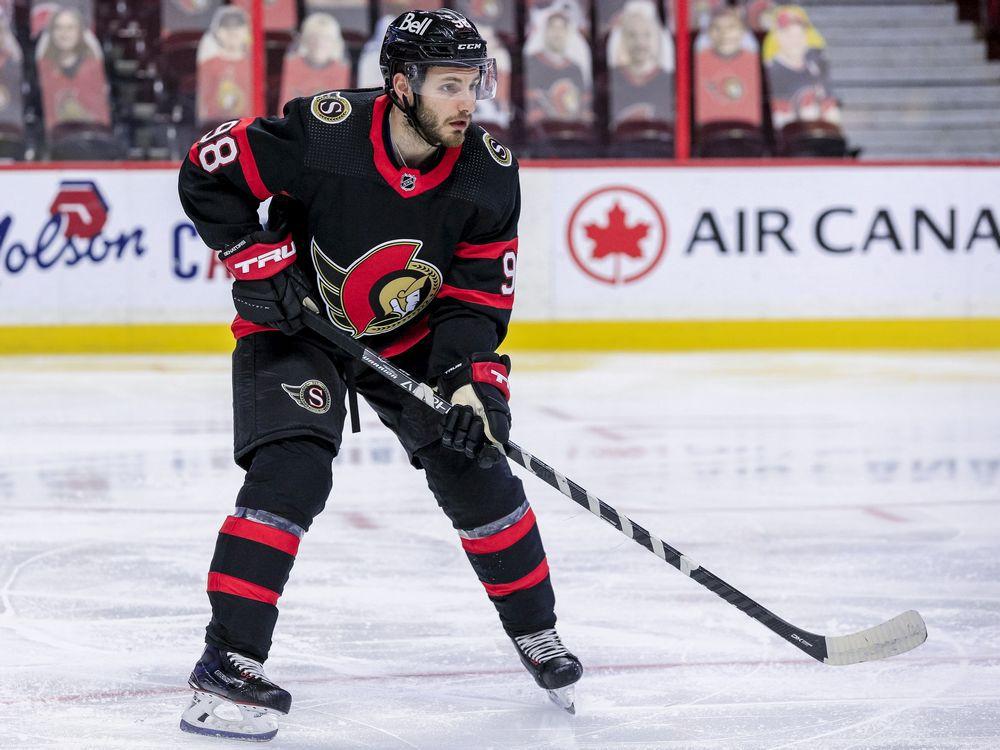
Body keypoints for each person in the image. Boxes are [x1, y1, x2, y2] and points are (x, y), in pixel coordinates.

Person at [176, 8, 583, 742]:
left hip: (413, 338)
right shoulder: (326, 134)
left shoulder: (489, 174)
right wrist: (253, 259)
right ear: (400, 85)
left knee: (479, 464)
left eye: (475, 83)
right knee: (291, 473)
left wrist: (468, 383)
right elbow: (207, 170)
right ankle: (226, 664)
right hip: (299, 323)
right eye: (449, 85)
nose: (467, 102)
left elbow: (474, 296)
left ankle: (538, 632)